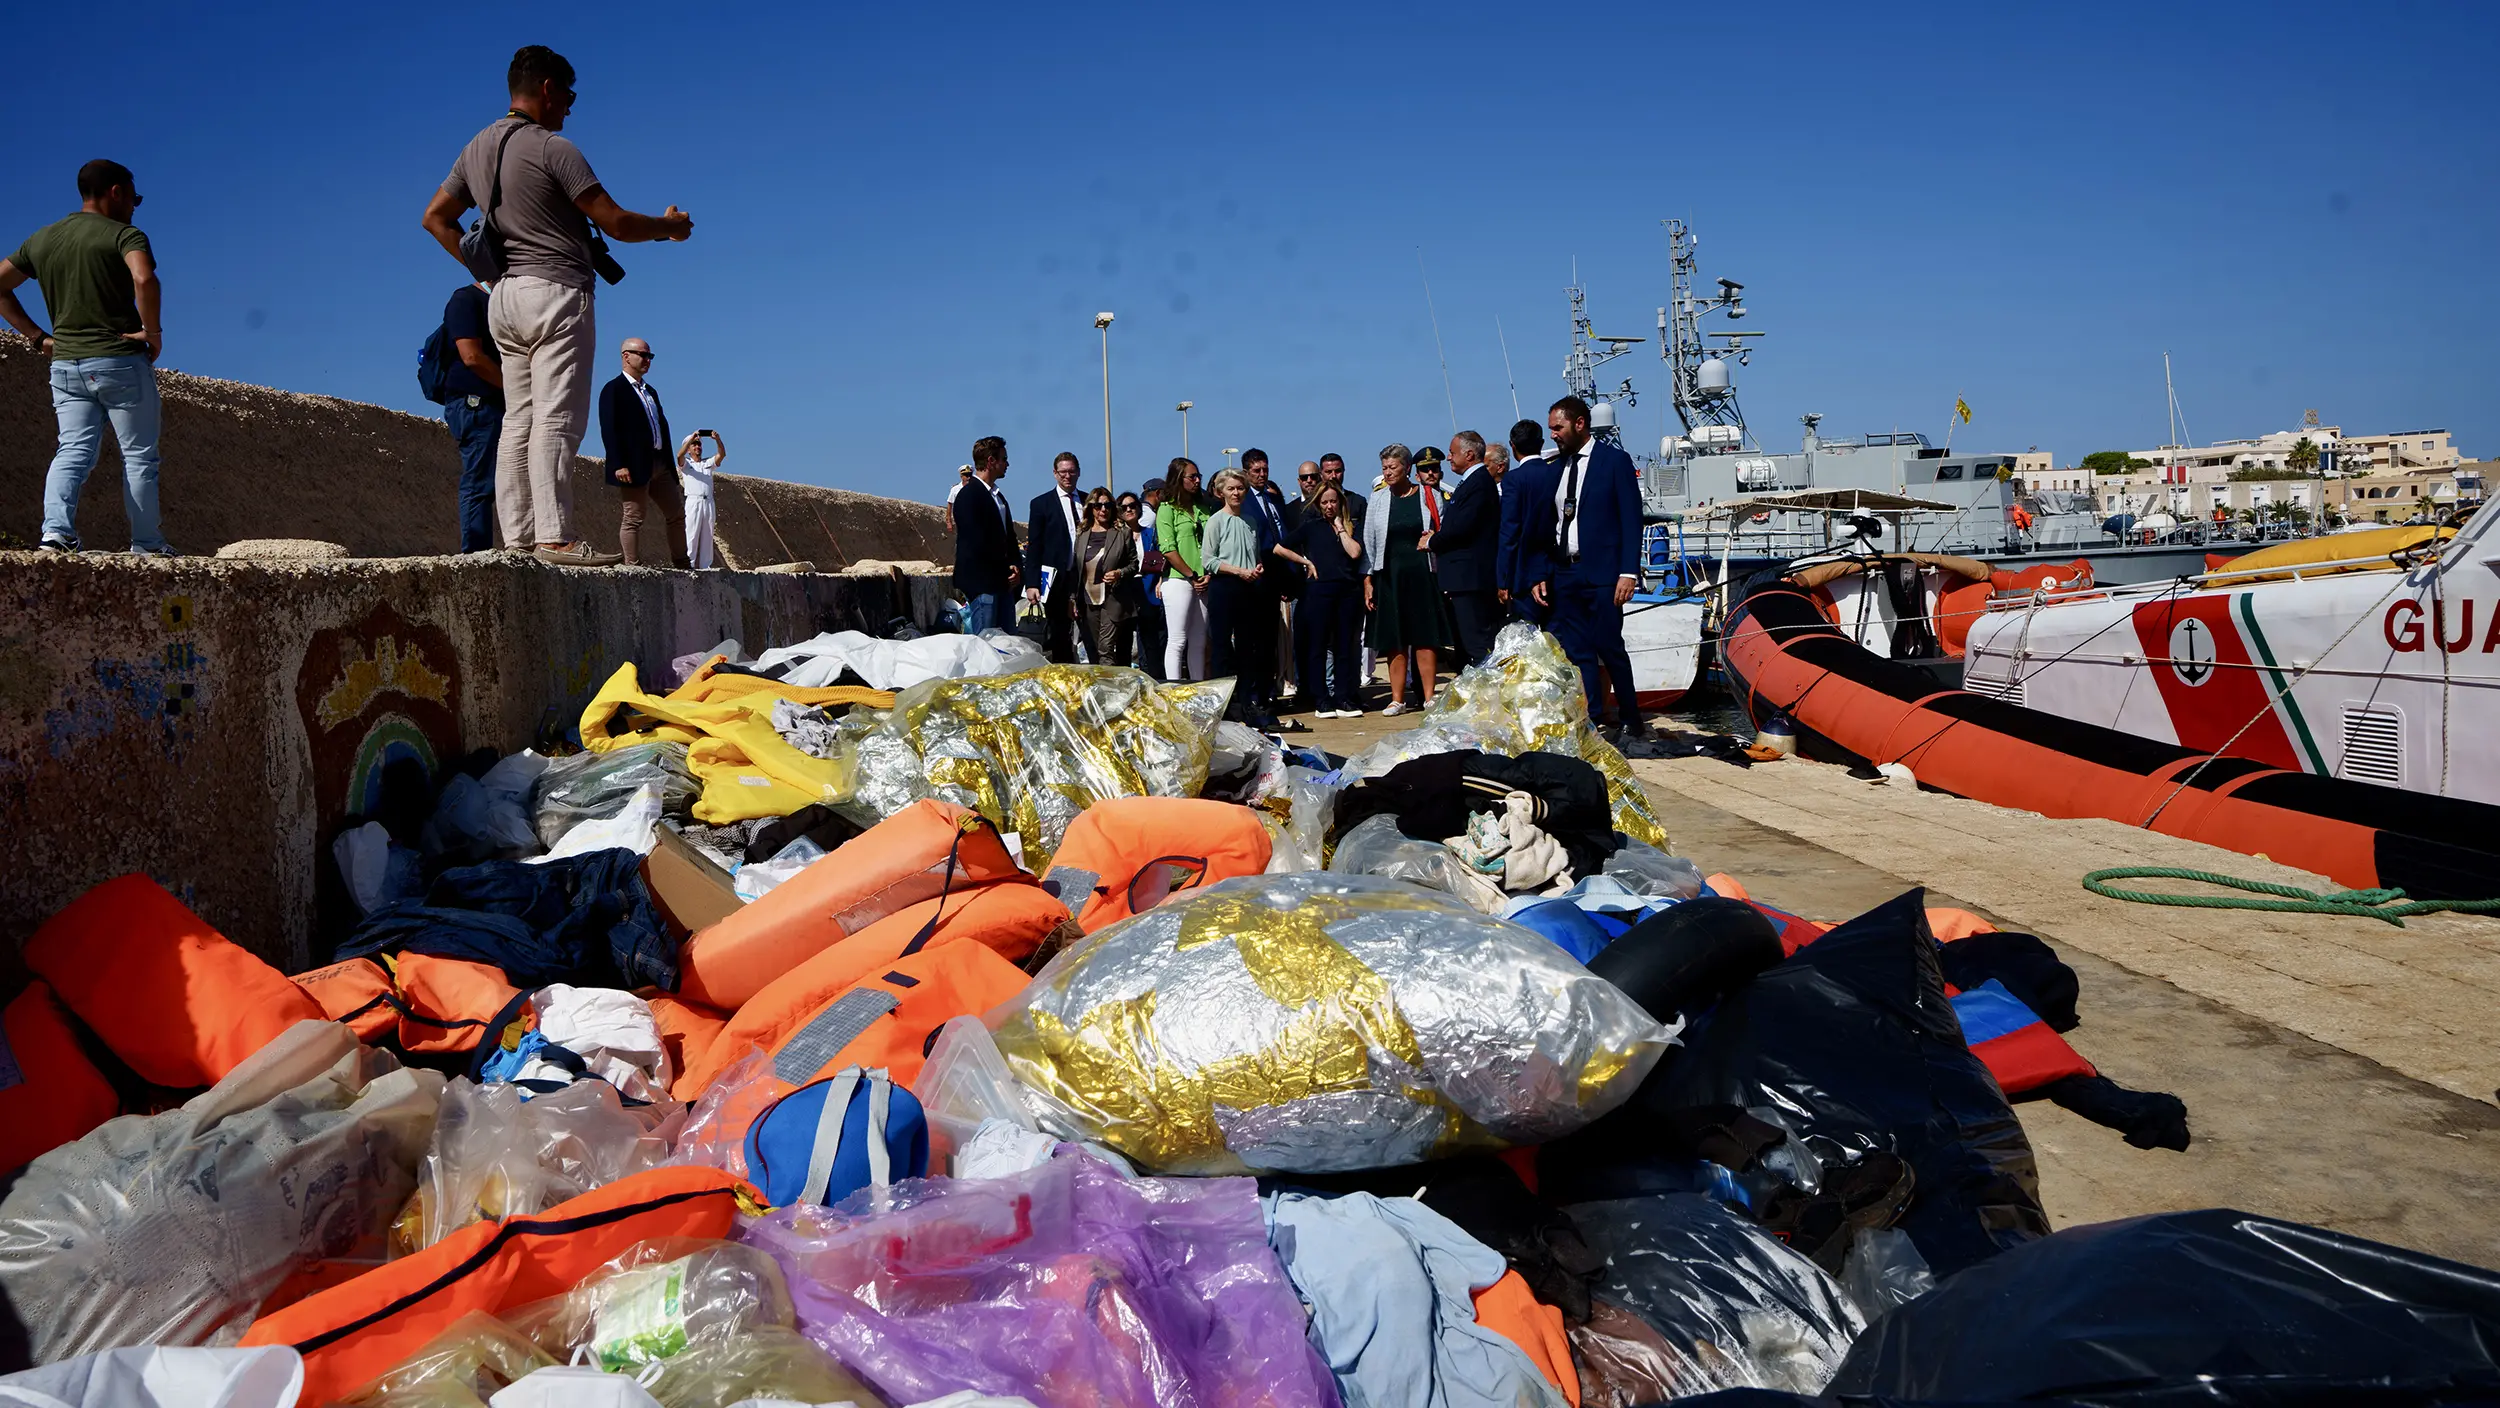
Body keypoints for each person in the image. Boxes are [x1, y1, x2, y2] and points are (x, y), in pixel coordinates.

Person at [423, 45, 692, 567]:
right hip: (557, 292)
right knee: (557, 419)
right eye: (568, 94)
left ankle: (520, 540)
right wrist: (669, 229)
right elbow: (614, 222)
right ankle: (555, 537)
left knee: (518, 420)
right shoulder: (553, 148)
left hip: (504, 296)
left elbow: (436, 217)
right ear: (546, 88)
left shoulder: (475, 148)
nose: (570, 106)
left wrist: (488, 273)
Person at [0, 159, 171, 555]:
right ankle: (147, 544)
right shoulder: (125, 234)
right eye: (134, 198)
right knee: (139, 456)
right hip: (119, 361)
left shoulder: (42, 239)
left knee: (73, 450)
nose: (134, 206)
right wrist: (154, 333)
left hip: (66, 365)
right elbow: (144, 278)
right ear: (115, 192)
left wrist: (37, 337)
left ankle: (56, 534)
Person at [1532, 396, 1644, 729]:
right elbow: (1546, 524)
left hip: (1604, 574)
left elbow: (1631, 519)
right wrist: (1541, 570)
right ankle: (1595, 718)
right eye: (1551, 428)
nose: (1552, 434)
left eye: (1558, 427)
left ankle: (1631, 718)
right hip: (1565, 571)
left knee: (1610, 647)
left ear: (1579, 424)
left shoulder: (1614, 462)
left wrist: (1629, 571)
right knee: (1578, 651)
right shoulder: (1556, 467)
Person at [1363, 443, 1450, 715]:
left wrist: (1432, 540)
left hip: (1423, 573)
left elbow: (1444, 532)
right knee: (1395, 639)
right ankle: (1397, 698)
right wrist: (1368, 580)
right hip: (1390, 575)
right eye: (1384, 468)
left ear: (1407, 469)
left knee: (1425, 637)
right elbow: (1369, 542)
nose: (1388, 472)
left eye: (1393, 467)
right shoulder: (1377, 499)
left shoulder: (1430, 496)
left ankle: (1428, 696)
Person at [597, 338, 687, 567]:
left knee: (676, 513)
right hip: (634, 464)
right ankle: (632, 565)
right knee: (633, 518)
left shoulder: (650, 391)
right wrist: (618, 463)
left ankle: (681, 561)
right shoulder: (613, 389)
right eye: (643, 355)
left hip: (660, 464)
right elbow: (609, 428)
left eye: (650, 356)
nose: (647, 360)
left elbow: (659, 425)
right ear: (626, 356)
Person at [1287, 483, 1366, 718]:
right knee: (1318, 647)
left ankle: (1343, 697)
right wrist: (1306, 562)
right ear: (1318, 506)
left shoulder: (1351, 527)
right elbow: (1280, 548)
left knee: (1344, 647)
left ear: (1340, 502)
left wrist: (1341, 528)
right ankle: (1321, 699)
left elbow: (1354, 553)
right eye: (1325, 502)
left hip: (1347, 592)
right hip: (1319, 592)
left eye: (1333, 501)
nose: (1329, 506)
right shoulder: (1311, 527)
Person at [437, 280, 505, 551]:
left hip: (496, 402)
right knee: (480, 481)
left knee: (495, 481)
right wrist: (516, 388)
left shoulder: (500, 302)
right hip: (476, 403)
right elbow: (471, 356)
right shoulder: (467, 299)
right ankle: (477, 555)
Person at [1434, 429, 1502, 666]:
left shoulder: (1478, 483)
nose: (1449, 458)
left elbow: (1463, 527)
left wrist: (1432, 541)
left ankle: (1489, 695)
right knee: (1472, 641)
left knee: (1478, 644)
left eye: (1452, 453)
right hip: (1464, 578)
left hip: (1471, 578)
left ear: (1469, 454)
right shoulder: (1471, 483)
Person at [1237, 448, 1294, 719]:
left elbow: (1283, 533)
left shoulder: (1273, 501)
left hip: (1275, 576)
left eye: (1265, 470)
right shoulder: (1243, 501)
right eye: (1256, 471)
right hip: (1253, 577)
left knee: (1270, 639)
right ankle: (1253, 696)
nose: (1262, 475)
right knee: (1253, 641)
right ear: (1246, 472)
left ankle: (1268, 692)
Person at [1023, 452, 1088, 663]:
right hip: (1057, 581)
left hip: (1086, 579)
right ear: (1054, 474)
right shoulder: (1041, 504)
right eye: (1063, 472)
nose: (1067, 476)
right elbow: (1035, 546)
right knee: (1059, 634)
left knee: (1089, 632)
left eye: (1071, 472)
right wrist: (1032, 583)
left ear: (1078, 472)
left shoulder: (1090, 502)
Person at [1154, 459, 1213, 681]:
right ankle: (1174, 690)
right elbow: (1168, 548)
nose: (1197, 480)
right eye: (1192, 477)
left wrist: (1207, 575)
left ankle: (1197, 689)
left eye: (1199, 476)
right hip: (1179, 580)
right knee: (1177, 639)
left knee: (1199, 641)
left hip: (1204, 580)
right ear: (1179, 479)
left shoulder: (1204, 507)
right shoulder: (1166, 509)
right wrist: (1191, 575)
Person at [953, 436, 1019, 632]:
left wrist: (1015, 564)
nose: (1007, 464)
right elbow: (975, 543)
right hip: (983, 584)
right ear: (991, 461)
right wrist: (1002, 570)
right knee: (985, 645)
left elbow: (1009, 536)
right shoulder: (969, 495)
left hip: (1002, 584)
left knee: (1008, 644)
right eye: (1004, 459)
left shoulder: (998, 497)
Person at [1073, 488, 1140, 667]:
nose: (1103, 510)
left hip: (1113, 600)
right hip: (1087, 601)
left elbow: (1134, 565)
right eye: (1098, 506)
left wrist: (1119, 573)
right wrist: (1072, 599)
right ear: (1091, 508)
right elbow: (1076, 569)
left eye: (1107, 505)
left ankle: (1109, 688)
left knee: (1105, 647)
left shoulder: (1121, 532)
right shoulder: (1082, 534)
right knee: (1094, 650)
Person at [1499, 417, 1553, 624]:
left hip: (1524, 573)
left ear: (1513, 446)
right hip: (1555, 569)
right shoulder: (1556, 473)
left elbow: (1509, 531)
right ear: (1541, 444)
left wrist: (1504, 579)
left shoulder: (1513, 480)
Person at [1132, 479, 1168, 677]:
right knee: (1151, 638)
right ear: (1157, 493)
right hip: (1146, 584)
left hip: (1148, 583)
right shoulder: (1149, 517)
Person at [677, 429, 722, 568]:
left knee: (708, 535)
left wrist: (718, 440)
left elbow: (721, 455)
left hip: (708, 501)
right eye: (694, 445)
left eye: (699, 444)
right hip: (693, 501)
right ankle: (688, 564)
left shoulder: (707, 463)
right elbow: (679, 455)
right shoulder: (687, 464)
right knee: (691, 533)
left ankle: (705, 566)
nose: (697, 447)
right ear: (689, 448)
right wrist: (691, 437)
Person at [943, 464, 972, 534]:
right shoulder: (955, 489)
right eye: (966, 475)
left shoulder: (976, 488)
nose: (968, 477)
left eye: (970, 475)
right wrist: (949, 521)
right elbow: (950, 504)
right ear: (961, 476)